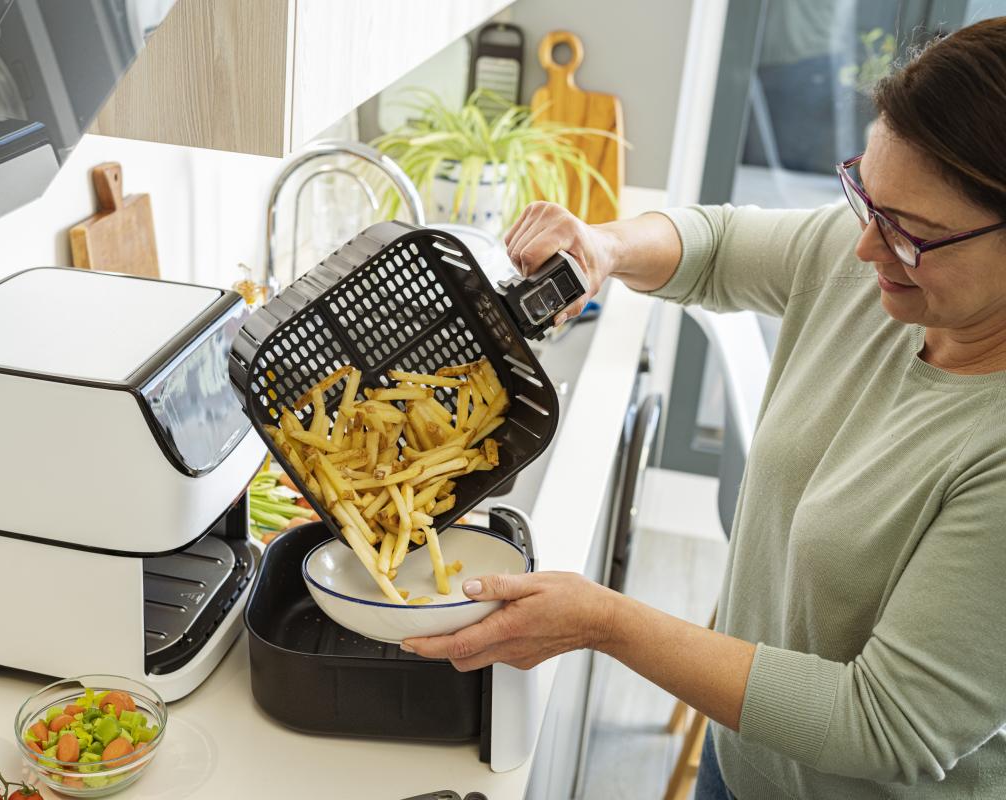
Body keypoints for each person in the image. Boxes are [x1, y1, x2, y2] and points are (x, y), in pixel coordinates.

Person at [400, 17, 1006, 799]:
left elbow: (886, 723)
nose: (864, 250)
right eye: (866, 197)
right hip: (743, 758)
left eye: (910, 233)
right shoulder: (885, 267)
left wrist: (606, 623)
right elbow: (716, 244)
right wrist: (605, 248)